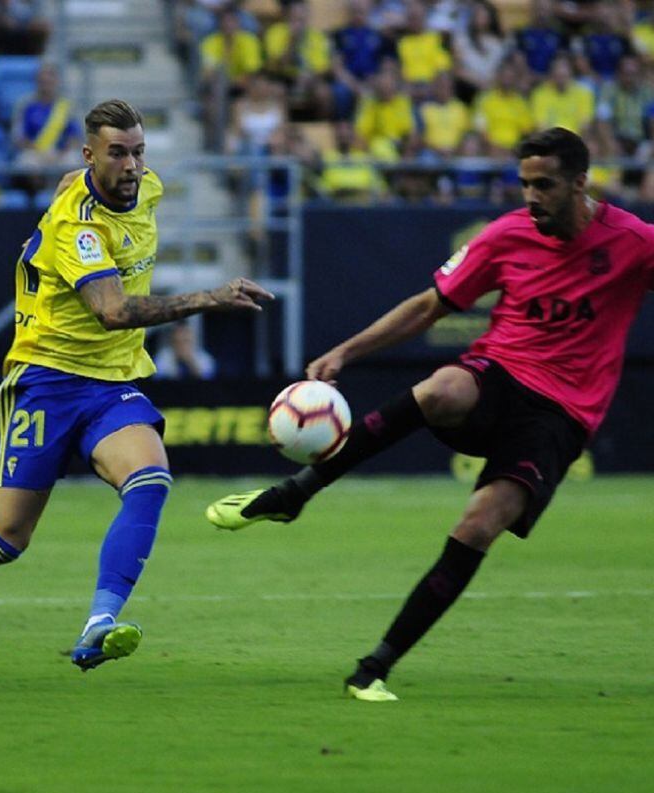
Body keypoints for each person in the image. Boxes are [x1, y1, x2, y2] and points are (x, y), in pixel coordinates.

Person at [206, 127, 654, 702]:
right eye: (524, 184)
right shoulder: (507, 235)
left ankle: (375, 666)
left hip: (562, 415)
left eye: (545, 185)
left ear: (580, 182)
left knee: (477, 525)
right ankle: (297, 491)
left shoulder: (633, 242)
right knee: (443, 388)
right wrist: (346, 351)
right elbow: (427, 308)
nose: (532, 197)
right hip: (500, 373)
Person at [0, 99, 273, 671]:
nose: (133, 167)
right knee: (3, 540)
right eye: (118, 154)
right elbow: (112, 312)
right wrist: (209, 297)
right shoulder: (79, 225)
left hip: (110, 384)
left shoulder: (146, 187)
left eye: (139, 152)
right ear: (91, 154)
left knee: (150, 478)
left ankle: (99, 622)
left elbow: (78, 181)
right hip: (43, 380)